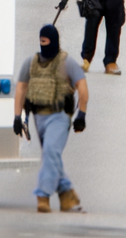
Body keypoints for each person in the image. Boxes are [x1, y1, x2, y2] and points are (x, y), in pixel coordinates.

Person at [13, 24, 89, 213]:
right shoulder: (31, 63)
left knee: (50, 151)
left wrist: (82, 114)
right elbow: (21, 88)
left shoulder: (66, 63)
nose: (44, 45)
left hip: (60, 117)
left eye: (47, 41)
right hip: (39, 117)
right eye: (42, 41)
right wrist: (17, 117)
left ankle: (43, 194)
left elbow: (82, 87)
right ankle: (66, 195)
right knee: (51, 155)